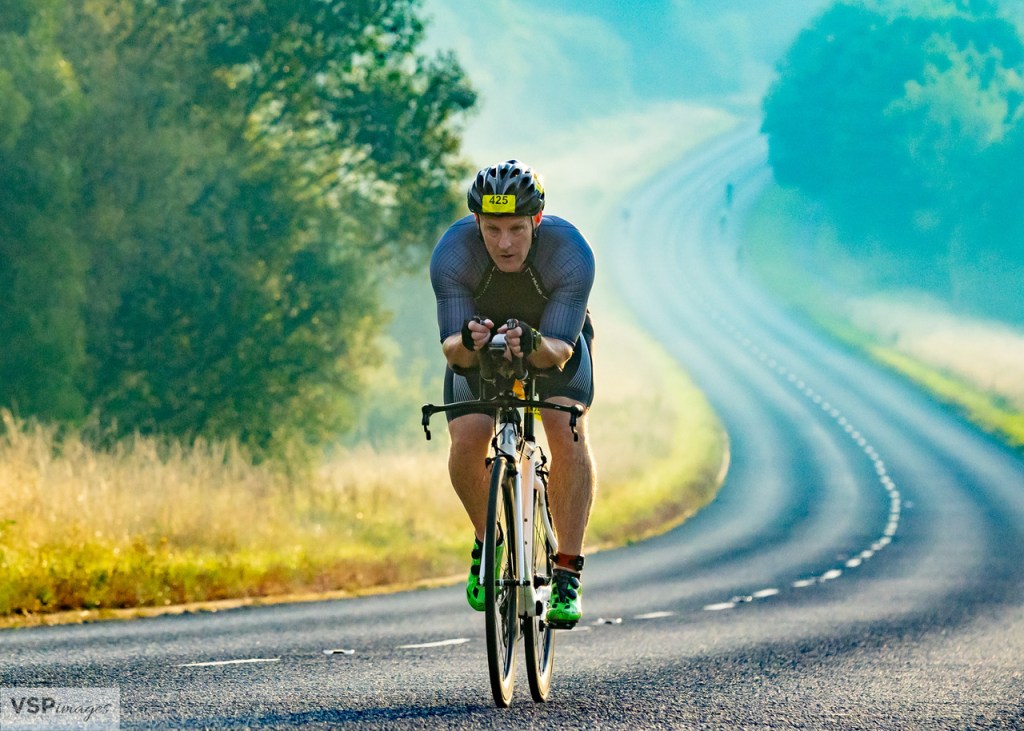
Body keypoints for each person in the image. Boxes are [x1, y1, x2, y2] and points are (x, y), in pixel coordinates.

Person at [429, 159, 597, 627]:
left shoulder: (569, 253)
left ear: (536, 222)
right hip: (482, 352)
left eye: (517, 229)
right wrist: (469, 342)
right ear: (476, 223)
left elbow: (560, 354)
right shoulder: (454, 253)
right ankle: (490, 540)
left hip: (553, 341)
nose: (504, 243)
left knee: (566, 428)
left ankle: (566, 570)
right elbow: (452, 353)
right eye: (492, 229)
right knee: (466, 442)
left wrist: (535, 343)